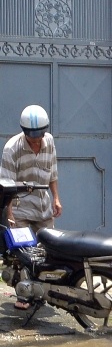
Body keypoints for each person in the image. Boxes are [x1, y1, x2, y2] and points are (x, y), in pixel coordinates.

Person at [0, 105, 62, 309]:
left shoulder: (49, 141)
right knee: (23, 253)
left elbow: (52, 172)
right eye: (31, 137)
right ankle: (23, 295)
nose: (36, 141)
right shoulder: (12, 149)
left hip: (43, 206)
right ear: (24, 132)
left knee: (48, 249)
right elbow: (6, 185)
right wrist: (9, 213)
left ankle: (41, 290)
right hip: (20, 207)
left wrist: (56, 198)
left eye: (39, 136)